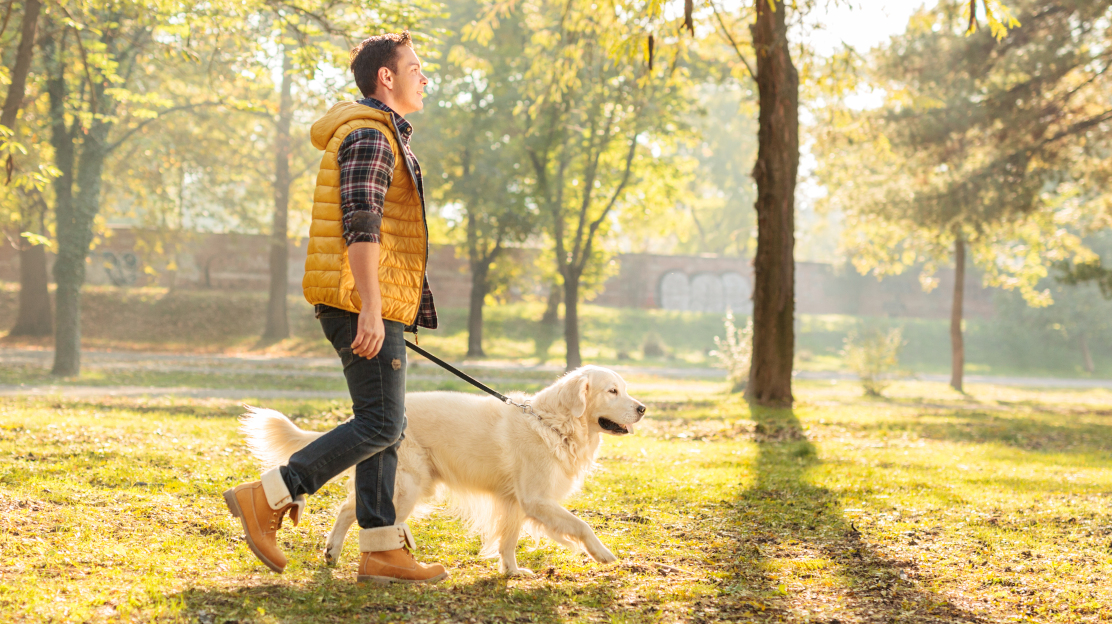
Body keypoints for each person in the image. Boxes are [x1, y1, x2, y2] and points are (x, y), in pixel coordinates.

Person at [223, 31, 445, 584]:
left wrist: (391, 304)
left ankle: (380, 549)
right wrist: (372, 306)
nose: (424, 76)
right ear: (385, 77)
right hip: (358, 302)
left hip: (372, 302)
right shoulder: (371, 135)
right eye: (415, 67)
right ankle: (269, 494)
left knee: (387, 427)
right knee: (383, 422)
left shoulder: (382, 133)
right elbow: (361, 221)